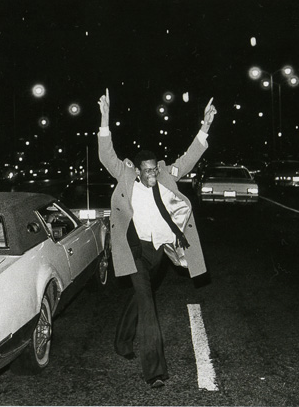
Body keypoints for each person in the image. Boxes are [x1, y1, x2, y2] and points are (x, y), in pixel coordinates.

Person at [97, 88, 217, 389]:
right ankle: (155, 372)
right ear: (138, 171)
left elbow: (189, 156)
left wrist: (205, 126)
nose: (152, 175)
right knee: (148, 304)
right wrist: (105, 120)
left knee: (141, 298)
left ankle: (122, 342)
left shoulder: (166, 175)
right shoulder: (126, 177)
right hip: (135, 248)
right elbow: (106, 154)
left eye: (154, 170)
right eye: (147, 171)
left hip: (161, 252)